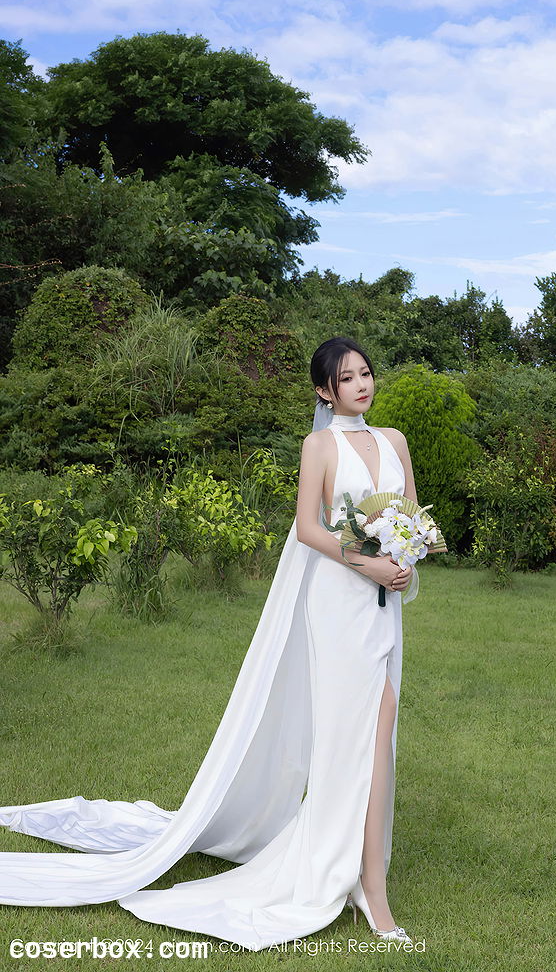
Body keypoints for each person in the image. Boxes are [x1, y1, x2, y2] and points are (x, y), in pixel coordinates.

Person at [0, 336, 420, 951]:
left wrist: (404, 559)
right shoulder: (320, 446)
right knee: (352, 735)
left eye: (366, 373)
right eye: (347, 378)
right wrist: (367, 562)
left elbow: (411, 516)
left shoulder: (394, 441)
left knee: (381, 732)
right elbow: (308, 528)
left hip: (384, 605)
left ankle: (365, 872)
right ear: (324, 392)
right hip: (339, 601)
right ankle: (365, 886)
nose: (361, 384)